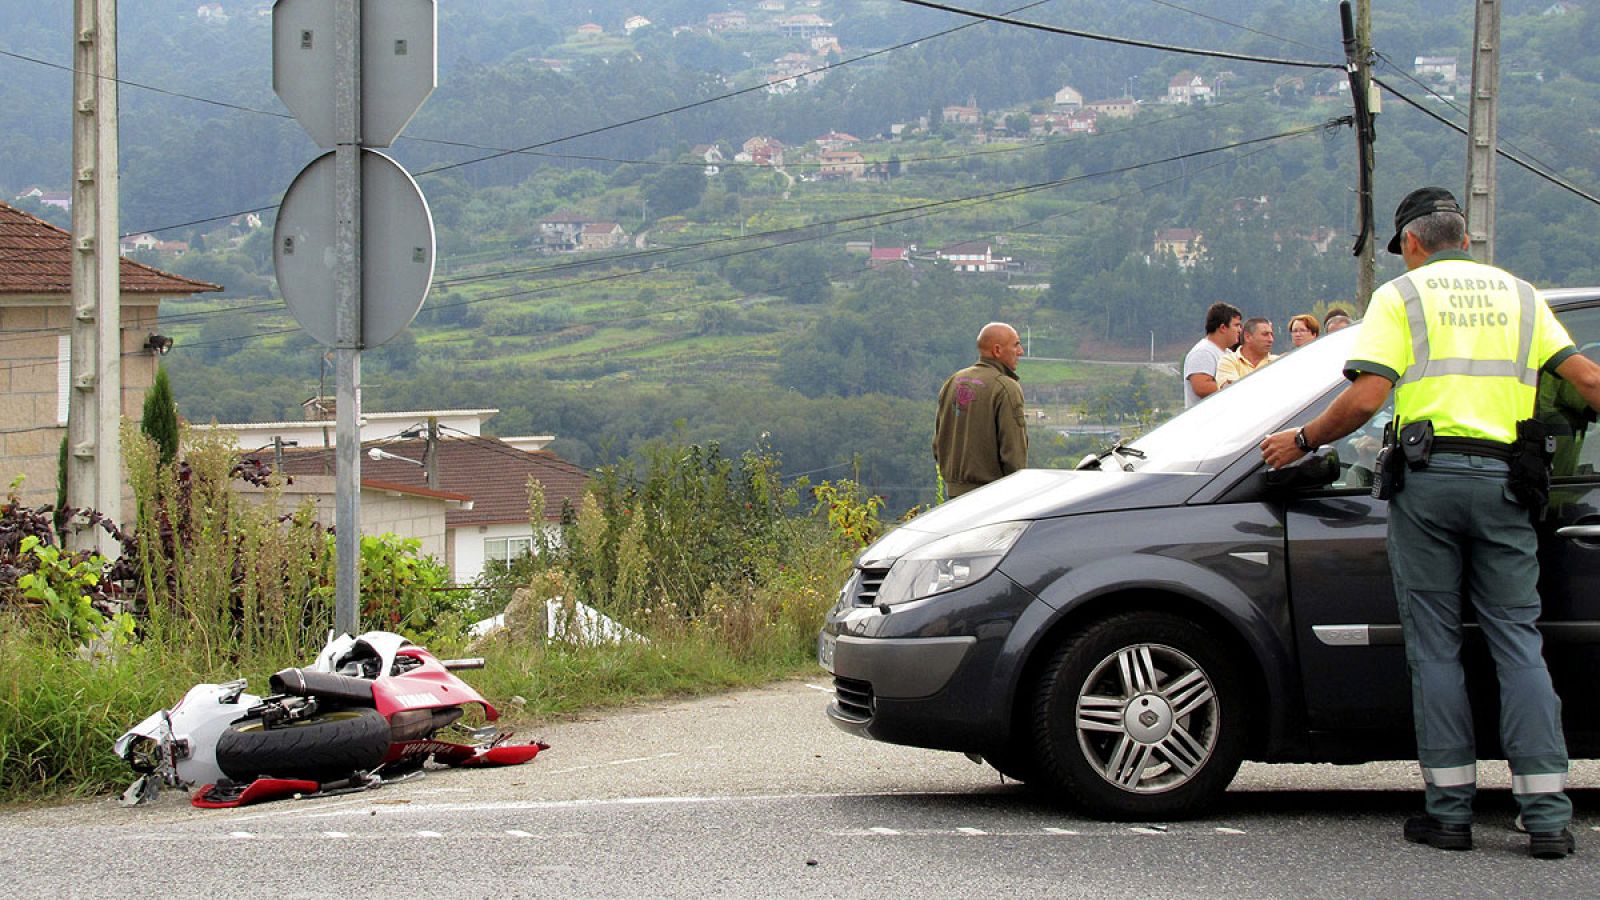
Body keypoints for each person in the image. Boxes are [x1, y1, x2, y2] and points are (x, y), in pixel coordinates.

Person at [1260, 187, 1600, 860]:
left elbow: (1365, 399)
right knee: (1517, 642)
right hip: (1508, 484)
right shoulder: (1523, 297)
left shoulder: (1402, 297)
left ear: (1412, 243)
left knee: (1437, 647)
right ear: (1465, 239)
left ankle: (1449, 815)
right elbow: (1589, 382)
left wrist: (1301, 441)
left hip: (1430, 482)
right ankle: (1548, 818)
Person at [934, 322, 1028, 498]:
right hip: (991, 498)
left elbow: (938, 443)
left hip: (954, 496)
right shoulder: (1006, 387)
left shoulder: (953, 382)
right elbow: (1013, 454)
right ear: (997, 350)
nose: (1021, 351)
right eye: (1016, 344)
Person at [1182, 302, 1242, 407]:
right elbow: (1201, 387)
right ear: (1223, 327)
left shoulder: (1229, 353)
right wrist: (1238, 386)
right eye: (1236, 325)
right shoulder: (1203, 352)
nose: (1239, 330)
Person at [1217, 317, 1277, 387]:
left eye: (1271, 335)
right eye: (1265, 334)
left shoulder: (1278, 361)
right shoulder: (1229, 361)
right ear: (1248, 337)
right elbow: (1232, 390)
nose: (1271, 339)